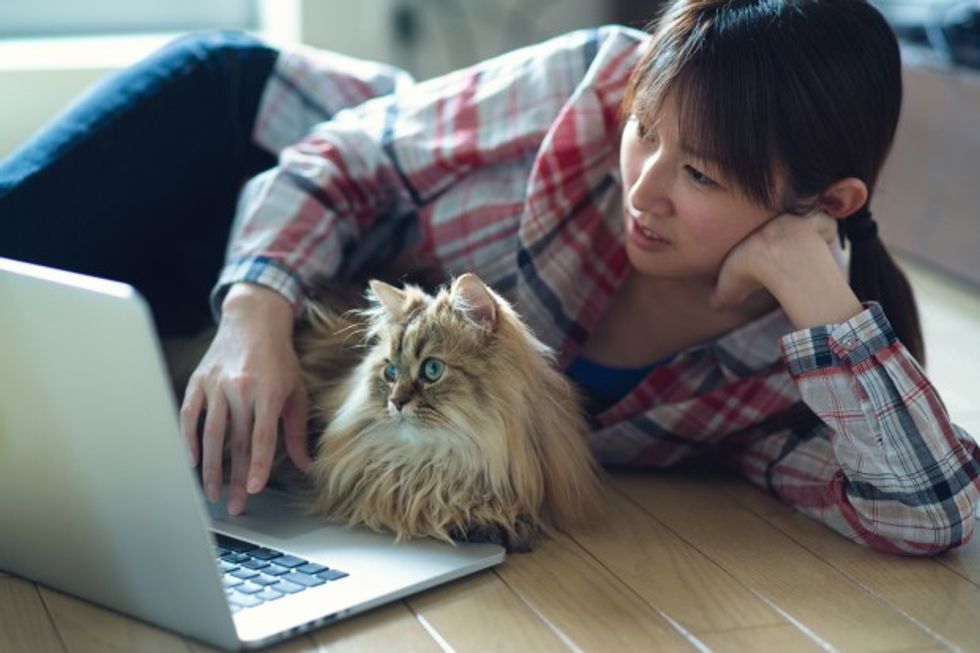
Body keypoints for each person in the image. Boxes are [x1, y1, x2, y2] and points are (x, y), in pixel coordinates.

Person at [3, 0, 977, 555]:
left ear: (829, 201)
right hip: (237, 144)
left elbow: (927, 513)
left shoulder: (778, 374)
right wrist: (253, 309)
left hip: (302, 320)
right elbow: (343, 162)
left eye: (699, 174)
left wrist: (815, 295)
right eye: (645, 131)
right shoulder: (591, 79)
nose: (638, 187)